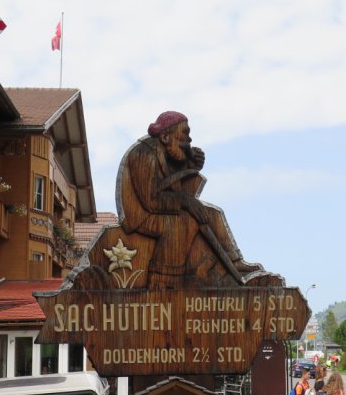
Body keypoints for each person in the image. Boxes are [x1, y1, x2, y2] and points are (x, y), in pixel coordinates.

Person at [118, 111, 280, 287]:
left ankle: (235, 262)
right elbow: (151, 201)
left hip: (159, 206)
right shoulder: (144, 155)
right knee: (183, 222)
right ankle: (163, 278)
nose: (189, 140)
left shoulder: (164, 151)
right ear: (165, 137)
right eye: (185, 134)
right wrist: (186, 201)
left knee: (212, 213)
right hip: (140, 215)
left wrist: (191, 164)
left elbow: (173, 182)